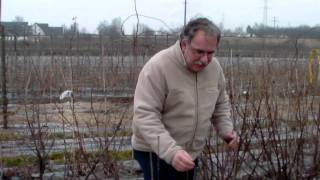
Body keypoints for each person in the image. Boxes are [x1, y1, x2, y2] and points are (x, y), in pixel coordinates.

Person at [132, 17, 238, 180]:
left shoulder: (214, 68)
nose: (205, 60)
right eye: (199, 52)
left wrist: (226, 130)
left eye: (210, 53)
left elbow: (220, 104)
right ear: (184, 44)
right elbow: (146, 116)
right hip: (155, 152)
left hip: (189, 152)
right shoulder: (158, 67)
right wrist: (172, 152)